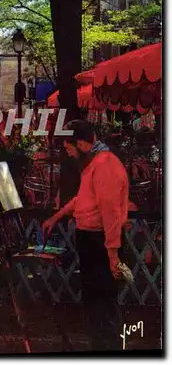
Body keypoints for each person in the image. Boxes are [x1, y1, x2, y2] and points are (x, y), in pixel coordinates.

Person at [42, 119, 129, 351]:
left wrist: (112, 256)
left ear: (81, 144)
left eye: (70, 149)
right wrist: (57, 216)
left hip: (100, 244)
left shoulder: (104, 165)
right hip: (92, 242)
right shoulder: (94, 164)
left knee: (102, 306)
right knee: (94, 304)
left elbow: (110, 213)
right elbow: (84, 199)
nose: (69, 155)